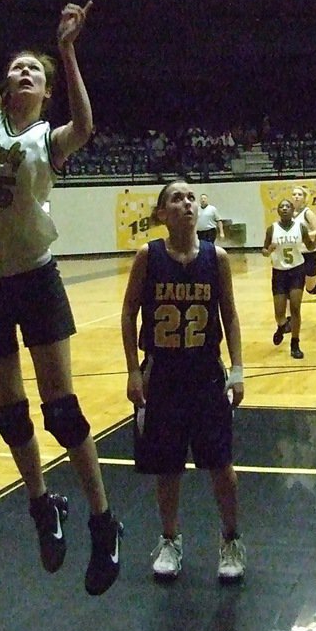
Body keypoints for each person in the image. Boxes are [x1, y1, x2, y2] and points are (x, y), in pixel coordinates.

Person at [0, 0, 120, 596]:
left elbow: (88, 123)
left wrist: (69, 49)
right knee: (8, 412)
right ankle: (39, 502)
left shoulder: (47, 138)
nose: (19, 73)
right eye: (15, 69)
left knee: (61, 409)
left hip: (32, 275)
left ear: (44, 89)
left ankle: (103, 520)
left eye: (32, 71)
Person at [120, 180, 246, 583]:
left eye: (191, 197)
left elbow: (229, 314)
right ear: (161, 214)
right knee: (167, 465)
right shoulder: (148, 256)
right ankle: (170, 540)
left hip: (207, 372)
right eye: (177, 198)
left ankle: (230, 540)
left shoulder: (217, 257)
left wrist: (238, 369)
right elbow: (128, 315)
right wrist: (133, 370)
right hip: (163, 374)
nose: (187, 203)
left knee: (221, 464)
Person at [263, 198, 316, 359]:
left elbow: (310, 247)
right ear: (278, 211)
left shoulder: (300, 227)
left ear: (293, 210)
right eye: (282, 206)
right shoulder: (271, 229)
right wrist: (269, 250)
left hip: (297, 270)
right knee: (279, 313)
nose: (285, 208)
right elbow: (264, 251)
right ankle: (281, 326)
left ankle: (295, 343)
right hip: (279, 272)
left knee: (295, 308)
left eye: (288, 206)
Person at [291, 186, 316, 297]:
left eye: (299, 194)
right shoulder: (287, 213)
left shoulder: (307, 213)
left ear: (304, 198)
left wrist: (303, 236)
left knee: (310, 288)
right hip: (295, 254)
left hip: (309, 254)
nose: (296, 197)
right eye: (294, 194)